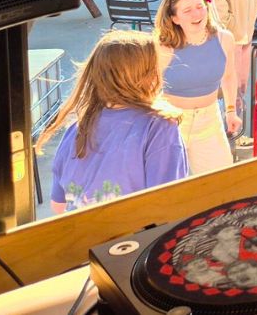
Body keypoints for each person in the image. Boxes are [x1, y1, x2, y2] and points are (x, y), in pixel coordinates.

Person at [37, 31, 188, 213]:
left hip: (82, 237)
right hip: (135, 240)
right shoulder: (159, 127)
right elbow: (168, 204)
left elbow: (58, 205)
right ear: (147, 74)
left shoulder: (77, 127)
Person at [154, 0, 241, 175]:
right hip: (172, 124)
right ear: (175, 19)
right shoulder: (163, 48)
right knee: (170, 186)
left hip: (210, 120)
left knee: (221, 180)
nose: (197, 14)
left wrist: (231, 111)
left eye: (200, 6)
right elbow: (149, 92)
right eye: (187, 10)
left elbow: (229, 76)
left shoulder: (224, 38)